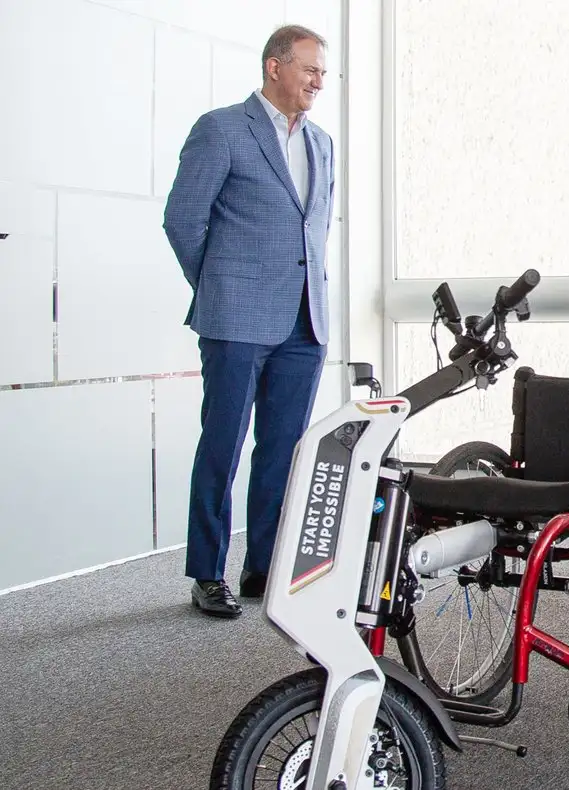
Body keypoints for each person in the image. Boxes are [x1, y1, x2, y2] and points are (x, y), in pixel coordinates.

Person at [163, 25, 335, 619]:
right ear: (273, 67)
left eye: (323, 71)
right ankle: (207, 572)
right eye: (309, 68)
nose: (318, 80)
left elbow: (313, 229)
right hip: (236, 318)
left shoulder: (322, 143)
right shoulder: (221, 130)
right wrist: (220, 290)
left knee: (284, 451)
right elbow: (182, 221)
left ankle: (264, 565)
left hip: (303, 322)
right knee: (223, 445)